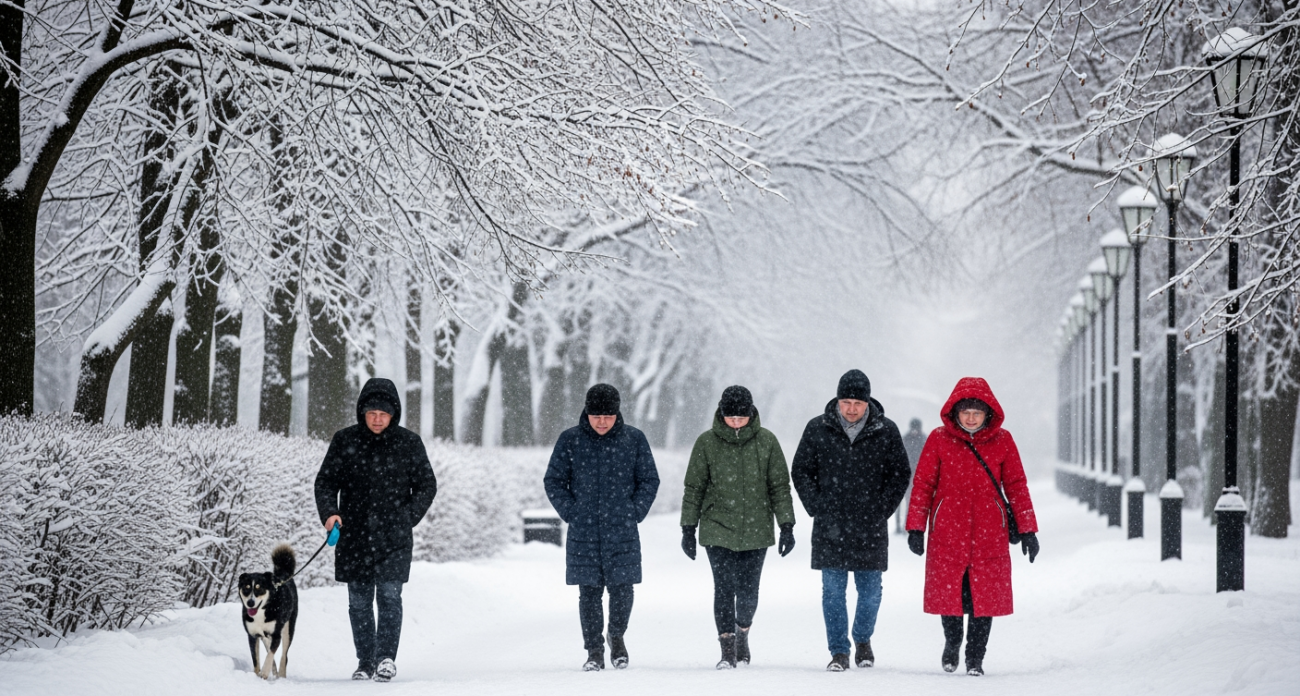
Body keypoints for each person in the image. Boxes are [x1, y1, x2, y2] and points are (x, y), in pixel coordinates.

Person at [905, 377, 1040, 677]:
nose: (970, 417)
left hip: (990, 533)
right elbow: (924, 484)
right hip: (947, 532)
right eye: (965, 411)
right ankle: (952, 642)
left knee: (985, 599)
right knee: (950, 595)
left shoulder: (1003, 441)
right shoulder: (939, 440)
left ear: (987, 413)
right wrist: (916, 527)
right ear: (955, 412)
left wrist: (1028, 529)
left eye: (976, 412)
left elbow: (1016, 485)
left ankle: (975, 657)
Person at [315, 377, 438, 682]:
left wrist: (406, 517)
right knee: (358, 601)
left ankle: (385, 658)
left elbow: (426, 485)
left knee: (389, 596)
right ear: (362, 412)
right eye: (372, 414)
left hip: (393, 537)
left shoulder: (409, 443)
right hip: (353, 534)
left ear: (393, 414)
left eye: (383, 414)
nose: (378, 419)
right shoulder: (345, 441)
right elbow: (326, 482)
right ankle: (365, 660)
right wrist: (330, 514)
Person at [790, 369, 912, 672]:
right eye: (846, 402)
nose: (852, 409)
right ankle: (839, 651)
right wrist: (816, 505)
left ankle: (862, 638)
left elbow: (900, 474)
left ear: (868, 402)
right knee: (832, 591)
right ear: (838, 400)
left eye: (858, 403)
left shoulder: (887, 430)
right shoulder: (818, 428)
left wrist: (882, 508)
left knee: (871, 592)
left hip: (870, 525)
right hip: (830, 525)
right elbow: (801, 470)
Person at [544, 384, 660, 671]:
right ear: (587, 411)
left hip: (622, 528)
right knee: (589, 592)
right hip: (584, 530)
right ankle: (594, 650)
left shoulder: (634, 439)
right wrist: (572, 511)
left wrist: (634, 511)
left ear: (617, 412)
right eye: (597, 415)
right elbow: (554, 481)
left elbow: (649, 480)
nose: (602, 421)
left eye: (608, 415)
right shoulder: (570, 440)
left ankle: (617, 636)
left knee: (623, 589)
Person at [680, 385, 797, 669]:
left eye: (740, 418)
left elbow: (779, 486)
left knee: (748, 592)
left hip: (756, 528)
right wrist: (688, 527)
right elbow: (694, 487)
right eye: (730, 417)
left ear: (750, 414)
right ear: (721, 414)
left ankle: (742, 630)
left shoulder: (767, 442)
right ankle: (727, 648)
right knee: (723, 588)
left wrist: (786, 525)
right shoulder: (706, 443)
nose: (735, 422)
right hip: (717, 526)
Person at [897, 418, 926, 534]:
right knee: (901, 501)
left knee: (909, 501)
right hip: (905, 473)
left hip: (914, 474)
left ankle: (905, 525)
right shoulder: (908, 439)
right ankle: (901, 525)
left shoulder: (921, 440)